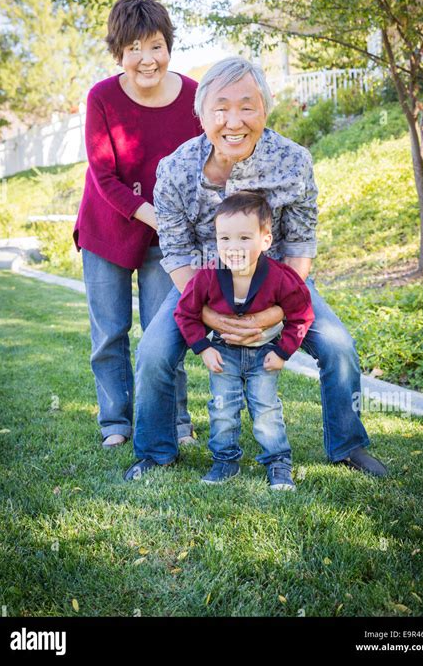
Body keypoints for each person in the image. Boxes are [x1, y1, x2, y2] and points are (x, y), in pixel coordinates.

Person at [124, 56, 388, 480]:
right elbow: (175, 251)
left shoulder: (294, 162)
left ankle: (348, 445)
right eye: (220, 108)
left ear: (265, 108)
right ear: (202, 113)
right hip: (200, 283)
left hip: (282, 281)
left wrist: (274, 313)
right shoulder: (173, 169)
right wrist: (210, 313)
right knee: (154, 352)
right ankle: (156, 452)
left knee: (338, 346)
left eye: (247, 106)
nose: (234, 120)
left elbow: (301, 245)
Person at [73, 0, 203, 448]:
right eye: (134, 49)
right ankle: (115, 423)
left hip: (165, 241)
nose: (146, 59)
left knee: (164, 331)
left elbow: (203, 165)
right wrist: (158, 216)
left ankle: (177, 421)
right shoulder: (102, 98)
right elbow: (103, 176)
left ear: (168, 46)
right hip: (107, 231)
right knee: (110, 333)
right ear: (119, 53)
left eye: (155, 46)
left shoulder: (192, 97)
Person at [173, 191, 315, 490]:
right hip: (224, 353)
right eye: (225, 239)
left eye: (244, 238)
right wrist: (203, 347)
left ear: (265, 240)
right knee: (222, 409)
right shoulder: (207, 277)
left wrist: (283, 351)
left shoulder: (280, 277)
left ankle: (278, 464)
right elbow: (186, 312)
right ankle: (225, 462)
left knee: (266, 409)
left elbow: (301, 314)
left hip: (264, 354)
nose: (233, 247)